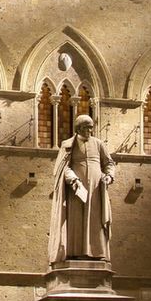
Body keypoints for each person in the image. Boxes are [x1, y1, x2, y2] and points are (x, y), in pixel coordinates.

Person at [47, 114, 116, 265]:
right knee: (75, 220)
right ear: (78, 128)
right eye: (86, 127)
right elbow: (62, 167)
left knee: (96, 220)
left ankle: (98, 252)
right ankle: (74, 252)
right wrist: (73, 179)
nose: (89, 130)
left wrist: (109, 176)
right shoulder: (68, 144)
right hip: (76, 190)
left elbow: (109, 163)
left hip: (96, 189)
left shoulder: (98, 144)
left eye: (91, 127)